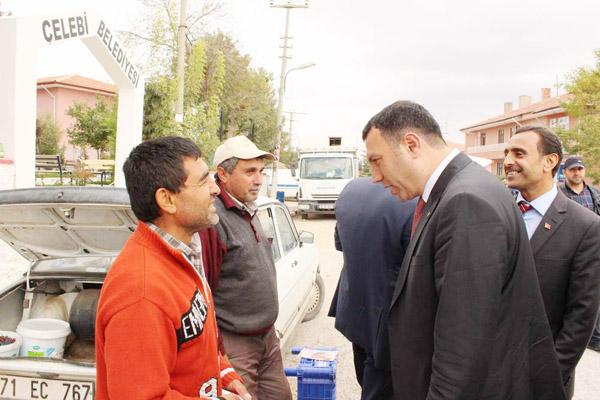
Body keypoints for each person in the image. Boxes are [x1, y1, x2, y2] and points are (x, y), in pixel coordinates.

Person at [363, 100, 566, 400]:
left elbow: (462, 350)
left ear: (411, 144)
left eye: (377, 160)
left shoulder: (466, 201)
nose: (375, 176)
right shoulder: (457, 190)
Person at [95, 136, 250, 400]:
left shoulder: (181, 254)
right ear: (167, 199)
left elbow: (194, 341)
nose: (215, 189)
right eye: (203, 181)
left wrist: (223, 375)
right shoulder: (141, 293)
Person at [504, 128, 600, 397]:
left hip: (543, 380)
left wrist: (550, 375)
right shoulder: (493, 213)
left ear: (550, 162)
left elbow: (581, 316)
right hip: (488, 373)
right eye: (506, 153)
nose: (509, 161)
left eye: (519, 153)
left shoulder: (586, 226)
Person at [200, 135, 292, 400]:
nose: (259, 179)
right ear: (223, 174)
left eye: (261, 171)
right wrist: (218, 351)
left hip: (266, 339)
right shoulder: (213, 217)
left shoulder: (247, 208)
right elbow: (204, 289)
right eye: (250, 171)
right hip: (234, 345)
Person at [328, 178, 415, 400]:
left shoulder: (353, 189)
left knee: (367, 379)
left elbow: (340, 244)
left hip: (356, 310)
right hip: (391, 325)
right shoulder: (413, 200)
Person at [558, 156, 600, 353]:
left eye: (580, 169)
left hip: (591, 249)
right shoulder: (558, 193)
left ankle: (594, 336)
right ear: (565, 172)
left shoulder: (594, 195)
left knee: (591, 293)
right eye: (573, 169)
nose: (577, 173)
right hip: (567, 249)